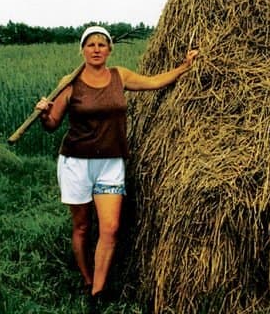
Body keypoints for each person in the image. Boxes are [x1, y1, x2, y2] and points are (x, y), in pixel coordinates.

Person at [35, 25, 198, 307]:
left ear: (109, 50)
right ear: (82, 50)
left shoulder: (118, 76)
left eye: (102, 44)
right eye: (91, 45)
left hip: (111, 162)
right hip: (76, 163)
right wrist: (43, 114)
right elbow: (52, 125)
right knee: (83, 227)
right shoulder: (70, 81)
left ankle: (98, 292)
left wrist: (184, 67)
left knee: (110, 228)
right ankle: (87, 280)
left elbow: (155, 82)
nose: (96, 49)